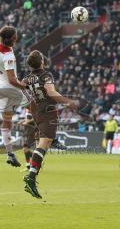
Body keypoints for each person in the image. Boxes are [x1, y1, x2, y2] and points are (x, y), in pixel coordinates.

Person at [22, 50, 83, 198]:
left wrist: (32, 102)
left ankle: (52, 142)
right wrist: (68, 101)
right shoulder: (46, 75)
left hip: (36, 112)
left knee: (42, 143)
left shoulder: (26, 79)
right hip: (48, 112)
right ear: (42, 61)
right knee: (44, 144)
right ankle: (31, 178)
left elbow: (22, 89)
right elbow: (51, 92)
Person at [0, 25, 29, 167]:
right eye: (14, 36)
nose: (16, 38)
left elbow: (2, 33)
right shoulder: (8, 56)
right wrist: (24, 86)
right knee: (36, 104)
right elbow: (13, 80)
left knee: (7, 121)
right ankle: (50, 137)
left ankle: (10, 154)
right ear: (9, 40)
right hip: (11, 88)